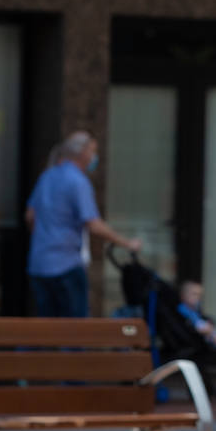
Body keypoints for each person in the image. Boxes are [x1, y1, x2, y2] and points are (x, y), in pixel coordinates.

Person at [25, 131, 141, 317]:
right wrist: (126, 243)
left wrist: (45, 237)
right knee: (75, 332)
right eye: (93, 151)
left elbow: (30, 216)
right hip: (66, 264)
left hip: (39, 264)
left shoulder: (46, 177)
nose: (95, 157)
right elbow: (93, 224)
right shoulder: (78, 182)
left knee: (45, 329)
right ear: (83, 153)